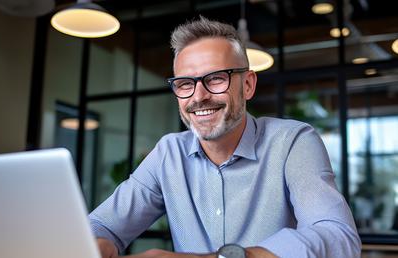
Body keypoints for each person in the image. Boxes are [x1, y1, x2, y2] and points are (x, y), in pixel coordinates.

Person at [89, 16, 361, 258]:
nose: (198, 97)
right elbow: (102, 225)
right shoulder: (168, 153)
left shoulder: (292, 142)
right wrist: (96, 242)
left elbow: (338, 237)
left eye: (216, 78)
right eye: (185, 83)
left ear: (248, 85)